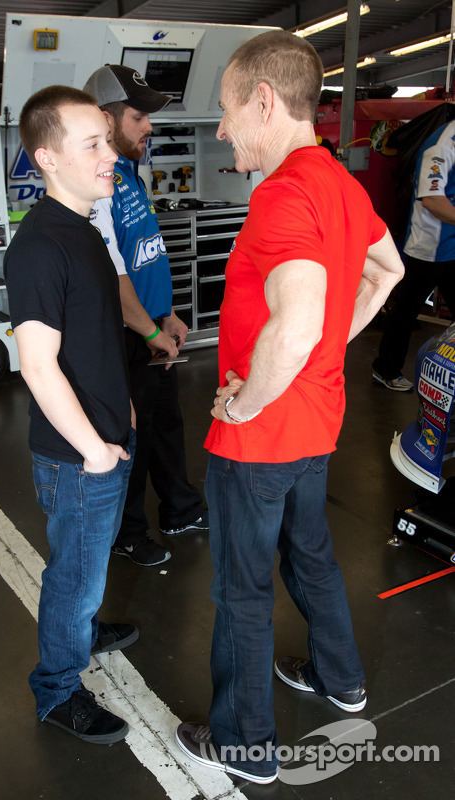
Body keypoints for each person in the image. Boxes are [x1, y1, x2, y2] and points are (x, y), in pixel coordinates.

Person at [175, 30, 405, 784]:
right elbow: (386, 269)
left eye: (225, 111)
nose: (220, 130)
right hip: (318, 424)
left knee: (242, 590)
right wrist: (317, 358)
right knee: (308, 555)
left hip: (262, 438)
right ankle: (341, 680)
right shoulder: (338, 182)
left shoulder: (281, 193)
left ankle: (243, 743)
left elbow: (299, 319)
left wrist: (247, 404)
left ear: (263, 101)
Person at [4, 85, 139, 744]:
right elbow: (37, 364)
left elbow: (92, 340)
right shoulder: (39, 247)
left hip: (105, 438)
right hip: (77, 456)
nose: (108, 154)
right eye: (92, 144)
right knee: (73, 577)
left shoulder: (82, 230)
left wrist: (124, 411)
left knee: (87, 565)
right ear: (46, 157)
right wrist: (92, 449)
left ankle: (84, 628)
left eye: (107, 141)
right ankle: (56, 690)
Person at [84, 64, 208, 567]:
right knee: (130, 434)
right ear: (105, 118)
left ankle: (180, 508)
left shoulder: (131, 172)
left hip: (154, 324)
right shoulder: (100, 182)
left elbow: (145, 254)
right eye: (139, 116)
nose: (149, 126)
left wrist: (169, 314)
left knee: (166, 425)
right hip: (128, 333)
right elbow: (112, 277)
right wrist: (151, 330)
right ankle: (128, 531)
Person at [372, 119, 455, 391]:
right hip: (427, 247)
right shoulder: (443, 144)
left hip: (452, 245)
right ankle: (385, 370)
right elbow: (432, 200)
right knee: (405, 312)